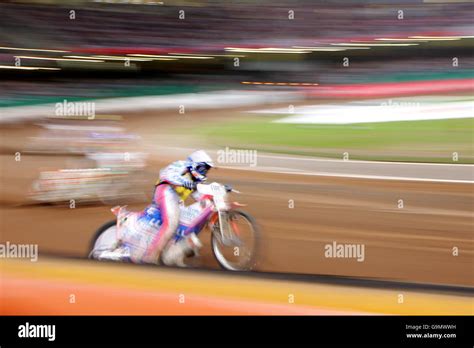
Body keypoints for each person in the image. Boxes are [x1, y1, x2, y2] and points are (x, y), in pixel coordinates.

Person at [101, 150, 214, 266]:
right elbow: (166, 174)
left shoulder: (194, 181)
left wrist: (212, 199)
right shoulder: (180, 165)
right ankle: (151, 256)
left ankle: (173, 251)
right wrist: (186, 183)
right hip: (165, 192)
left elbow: (198, 196)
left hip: (176, 200)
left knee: (189, 221)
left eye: (206, 169)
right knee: (171, 224)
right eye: (202, 168)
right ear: (193, 164)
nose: (204, 172)